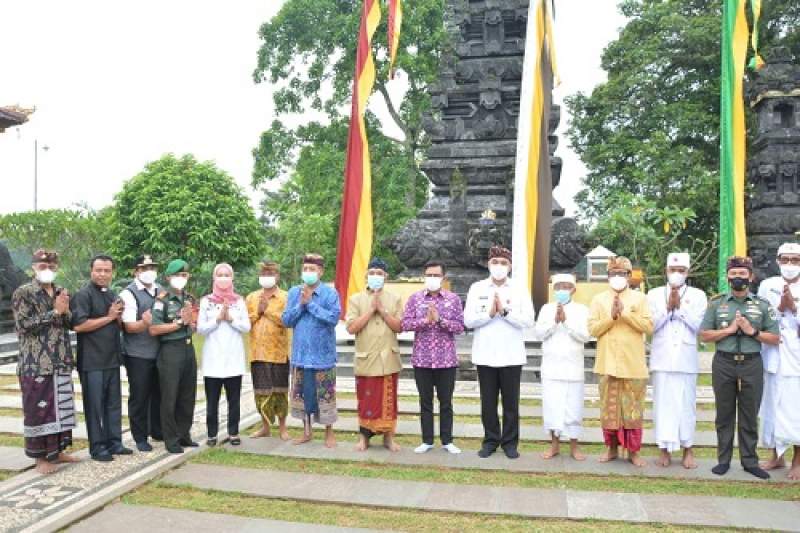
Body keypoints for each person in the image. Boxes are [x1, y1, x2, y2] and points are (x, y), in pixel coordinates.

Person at [699, 255, 779, 479]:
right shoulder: (717, 303)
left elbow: (775, 338)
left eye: (742, 274)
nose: (737, 278)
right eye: (733, 274)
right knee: (724, 414)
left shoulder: (762, 305)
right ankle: (723, 460)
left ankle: (750, 461)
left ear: (750, 277)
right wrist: (730, 330)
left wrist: (752, 331)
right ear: (727, 277)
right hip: (724, 362)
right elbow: (704, 335)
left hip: (752, 363)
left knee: (749, 414)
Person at [12, 250, 79, 474]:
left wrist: (64, 311)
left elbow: (69, 323)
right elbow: (23, 326)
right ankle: (40, 458)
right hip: (36, 363)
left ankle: (57, 452)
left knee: (60, 408)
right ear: (33, 267)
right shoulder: (24, 292)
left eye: (51, 266)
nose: (47, 269)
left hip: (60, 360)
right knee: (38, 411)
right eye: (42, 266)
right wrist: (54, 312)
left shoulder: (61, 291)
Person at [464, 246, 534, 460]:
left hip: (511, 355)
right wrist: (489, 314)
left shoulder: (519, 289)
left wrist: (504, 312)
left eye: (503, 263)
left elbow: (528, 320)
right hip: (485, 355)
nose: (499, 266)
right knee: (488, 403)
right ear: (488, 264)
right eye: (495, 262)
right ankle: (490, 441)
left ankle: (510, 443)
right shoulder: (477, 288)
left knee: (511, 404)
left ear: (510, 266)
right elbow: (468, 320)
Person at [588, 256, 653, 467]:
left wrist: (624, 314)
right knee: (609, 410)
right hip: (607, 363)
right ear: (608, 276)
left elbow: (648, 327)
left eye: (622, 273)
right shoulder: (598, 300)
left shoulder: (640, 299)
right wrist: (612, 317)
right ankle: (612, 449)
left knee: (633, 411)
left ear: (629, 275)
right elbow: (592, 330)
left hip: (633, 364)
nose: (617, 277)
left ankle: (633, 452)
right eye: (613, 273)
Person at [646, 253, 707, 469]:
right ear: (666, 271)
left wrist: (679, 309)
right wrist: (667, 309)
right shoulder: (653, 294)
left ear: (687, 272)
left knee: (686, 406)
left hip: (685, 359)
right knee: (662, 405)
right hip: (662, 358)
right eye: (673, 270)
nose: (676, 274)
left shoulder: (698, 295)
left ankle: (688, 449)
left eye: (681, 270)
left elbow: (700, 327)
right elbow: (650, 326)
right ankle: (664, 449)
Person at [71, 254, 131, 462]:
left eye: (107, 271)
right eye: (99, 270)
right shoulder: (82, 295)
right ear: (91, 271)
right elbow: (79, 325)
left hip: (112, 359)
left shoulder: (112, 294)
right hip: (92, 361)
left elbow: (117, 324)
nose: (103, 274)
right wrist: (109, 317)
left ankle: (115, 442)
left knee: (113, 404)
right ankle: (97, 448)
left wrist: (118, 318)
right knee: (95, 407)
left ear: (112, 273)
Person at [401, 260, 464, 454]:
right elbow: (405, 324)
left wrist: (440, 320)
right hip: (422, 359)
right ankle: (427, 440)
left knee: (446, 402)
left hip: (446, 360)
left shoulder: (453, 299)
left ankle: (447, 441)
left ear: (443, 277)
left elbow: (460, 327)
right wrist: (425, 321)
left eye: (436, 275)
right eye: (429, 275)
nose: (432, 278)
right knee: (425, 401)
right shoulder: (415, 299)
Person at [282, 254, 341, 448]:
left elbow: (333, 318)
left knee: (325, 396)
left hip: (323, 356)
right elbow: (286, 320)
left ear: (321, 272)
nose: (308, 272)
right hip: (301, 355)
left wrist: (311, 304)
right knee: (303, 395)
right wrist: (301, 304)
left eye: (312, 269)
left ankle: (329, 432)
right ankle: (306, 432)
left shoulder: (330, 293)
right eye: (305, 269)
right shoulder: (294, 292)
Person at [345, 258, 403, 452]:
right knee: (366, 399)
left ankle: (388, 438)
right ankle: (364, 438)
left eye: (379, 273)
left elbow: (400, 327)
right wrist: (371, 310)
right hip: (366, 358)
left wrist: (383, 311)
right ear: (366, 276)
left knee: (389, 401)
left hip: (388, 359)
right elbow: (351, 328)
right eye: (372, 273)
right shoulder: (356, 299)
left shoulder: (395, 298)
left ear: (386, 276)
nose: (375, 276)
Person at [534, 273, 590, 461]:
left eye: (566, 287)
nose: (562, 290)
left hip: (573, 367)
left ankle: (574, 446)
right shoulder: (546, 309)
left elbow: (585, 336)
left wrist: (566, 322)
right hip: (551, 367)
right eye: (558, 287)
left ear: (573, 289)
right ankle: (554, 445)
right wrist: (554, 322)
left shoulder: (582, 310)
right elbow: (538, 333)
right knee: (552, 407)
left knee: (573, 408)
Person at [757, 243, 800, 479]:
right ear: (777, 260)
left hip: (796, 359)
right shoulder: (767, 285)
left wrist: (794, 308)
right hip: (773, 356)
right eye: (785, 259)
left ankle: (797, 459)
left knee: (795, 409)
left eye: (795, 260)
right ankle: (776, 455)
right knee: (771, 406)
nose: (790, 264)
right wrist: (780, 309)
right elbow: (761, 317)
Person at [197, 263, 250, 446]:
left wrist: (231, 319)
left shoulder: (239, 301)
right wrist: (218, 319)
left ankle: (233, 433)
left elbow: (246, 327)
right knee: (212, 401)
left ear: (232, 278)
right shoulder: (206, 301)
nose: (223, 278)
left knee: (233, 400)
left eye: (227, 275)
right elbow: (201, 329)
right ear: (214, 278)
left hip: (234, 358)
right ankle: (212, 434)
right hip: (213, 359)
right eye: (220, 275)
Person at [149, 259, 198, 454]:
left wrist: (191, 324)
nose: (181, 278)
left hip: (188, 348)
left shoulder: (189, 299)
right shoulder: (162, 300)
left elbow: (192, 326)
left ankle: (184, 434)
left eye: (184, 275)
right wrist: (179, 323)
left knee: (188, 395)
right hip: (170, 350)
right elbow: (154, 329)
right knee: (170, 396)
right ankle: (171, 439)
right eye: (177, 275)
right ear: (168, 277)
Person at [120, 254, 163, 452]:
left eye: (152, 268)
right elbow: (129, 327)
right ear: (136, 272)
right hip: (137, 354)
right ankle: (140, 436)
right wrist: (145, 323)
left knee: (158, 393)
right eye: (144, 268)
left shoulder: (160, 290)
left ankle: (157, 430)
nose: (149, 272)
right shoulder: (129, 293)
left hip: (159, 351)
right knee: (139, 396)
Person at [245, 261, 290, 441]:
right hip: (258, 353)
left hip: (278, 353)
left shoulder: (286, 297)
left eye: (270, 273)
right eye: (263, 273)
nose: (266, 276)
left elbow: (287, 320)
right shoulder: (251, 298)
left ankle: (283, 428)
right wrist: (258, 312)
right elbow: (244, 324)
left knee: (280, 392)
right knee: (261, 392)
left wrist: (267, 311)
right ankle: (265, 427)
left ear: (277, 276)